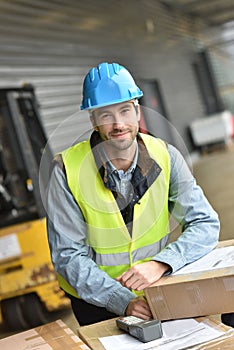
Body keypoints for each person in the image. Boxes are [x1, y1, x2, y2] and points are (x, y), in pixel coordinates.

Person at [46, 62, 220, 326]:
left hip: (159, 289)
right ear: (92, 120)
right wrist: (122, 299)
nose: (118, 124)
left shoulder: (167, 156)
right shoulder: (66, 170)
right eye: (106, 115)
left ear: (137, 110)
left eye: (125, 110)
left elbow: (205, 223)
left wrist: (161, 264)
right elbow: (68, 256)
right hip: (97, 304)